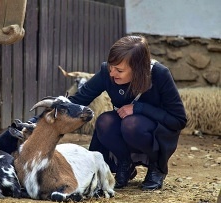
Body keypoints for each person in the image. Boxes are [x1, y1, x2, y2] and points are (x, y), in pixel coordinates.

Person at [67, 35, 187, 190]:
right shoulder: (107, 72)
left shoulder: (159, 74)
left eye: (119, 70)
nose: (112, 73)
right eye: (111, 67)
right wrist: (40, 119)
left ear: (138, 69)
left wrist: (139, 108)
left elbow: (178, 120)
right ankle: (125, 163)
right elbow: (79, 99)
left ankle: (156, 167)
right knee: (104, 122)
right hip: (125, 126)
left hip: (154, 130)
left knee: (131, 124)